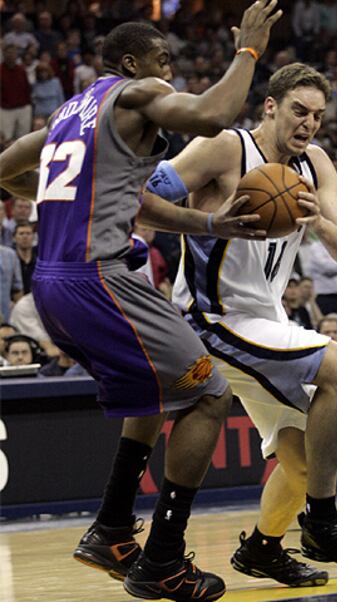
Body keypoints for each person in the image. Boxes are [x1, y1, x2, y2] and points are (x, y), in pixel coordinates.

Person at [0, 6, 282, 601]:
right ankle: (163, 561)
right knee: (208, 393)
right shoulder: (136, 95)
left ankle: (111, 529)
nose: (169, 73)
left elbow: (12, 171)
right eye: (163, 61)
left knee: (159, 391)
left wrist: (207, 222)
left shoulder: (69, 113)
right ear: (131, 64)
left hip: (52, 286)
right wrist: (249, 52)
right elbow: (212, 115)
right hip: (98, 279)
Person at [84, 63, 337, 592]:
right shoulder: (225, 147)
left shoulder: (316, 164)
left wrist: (315, 217)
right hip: (210, 318)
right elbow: (141, 199)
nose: (309, 124)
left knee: (300, 463)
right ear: (269, 106)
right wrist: (206, 220)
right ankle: (323, 523)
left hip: (263, 323)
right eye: (299, 110)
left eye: (318, 115)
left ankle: (263, 548)